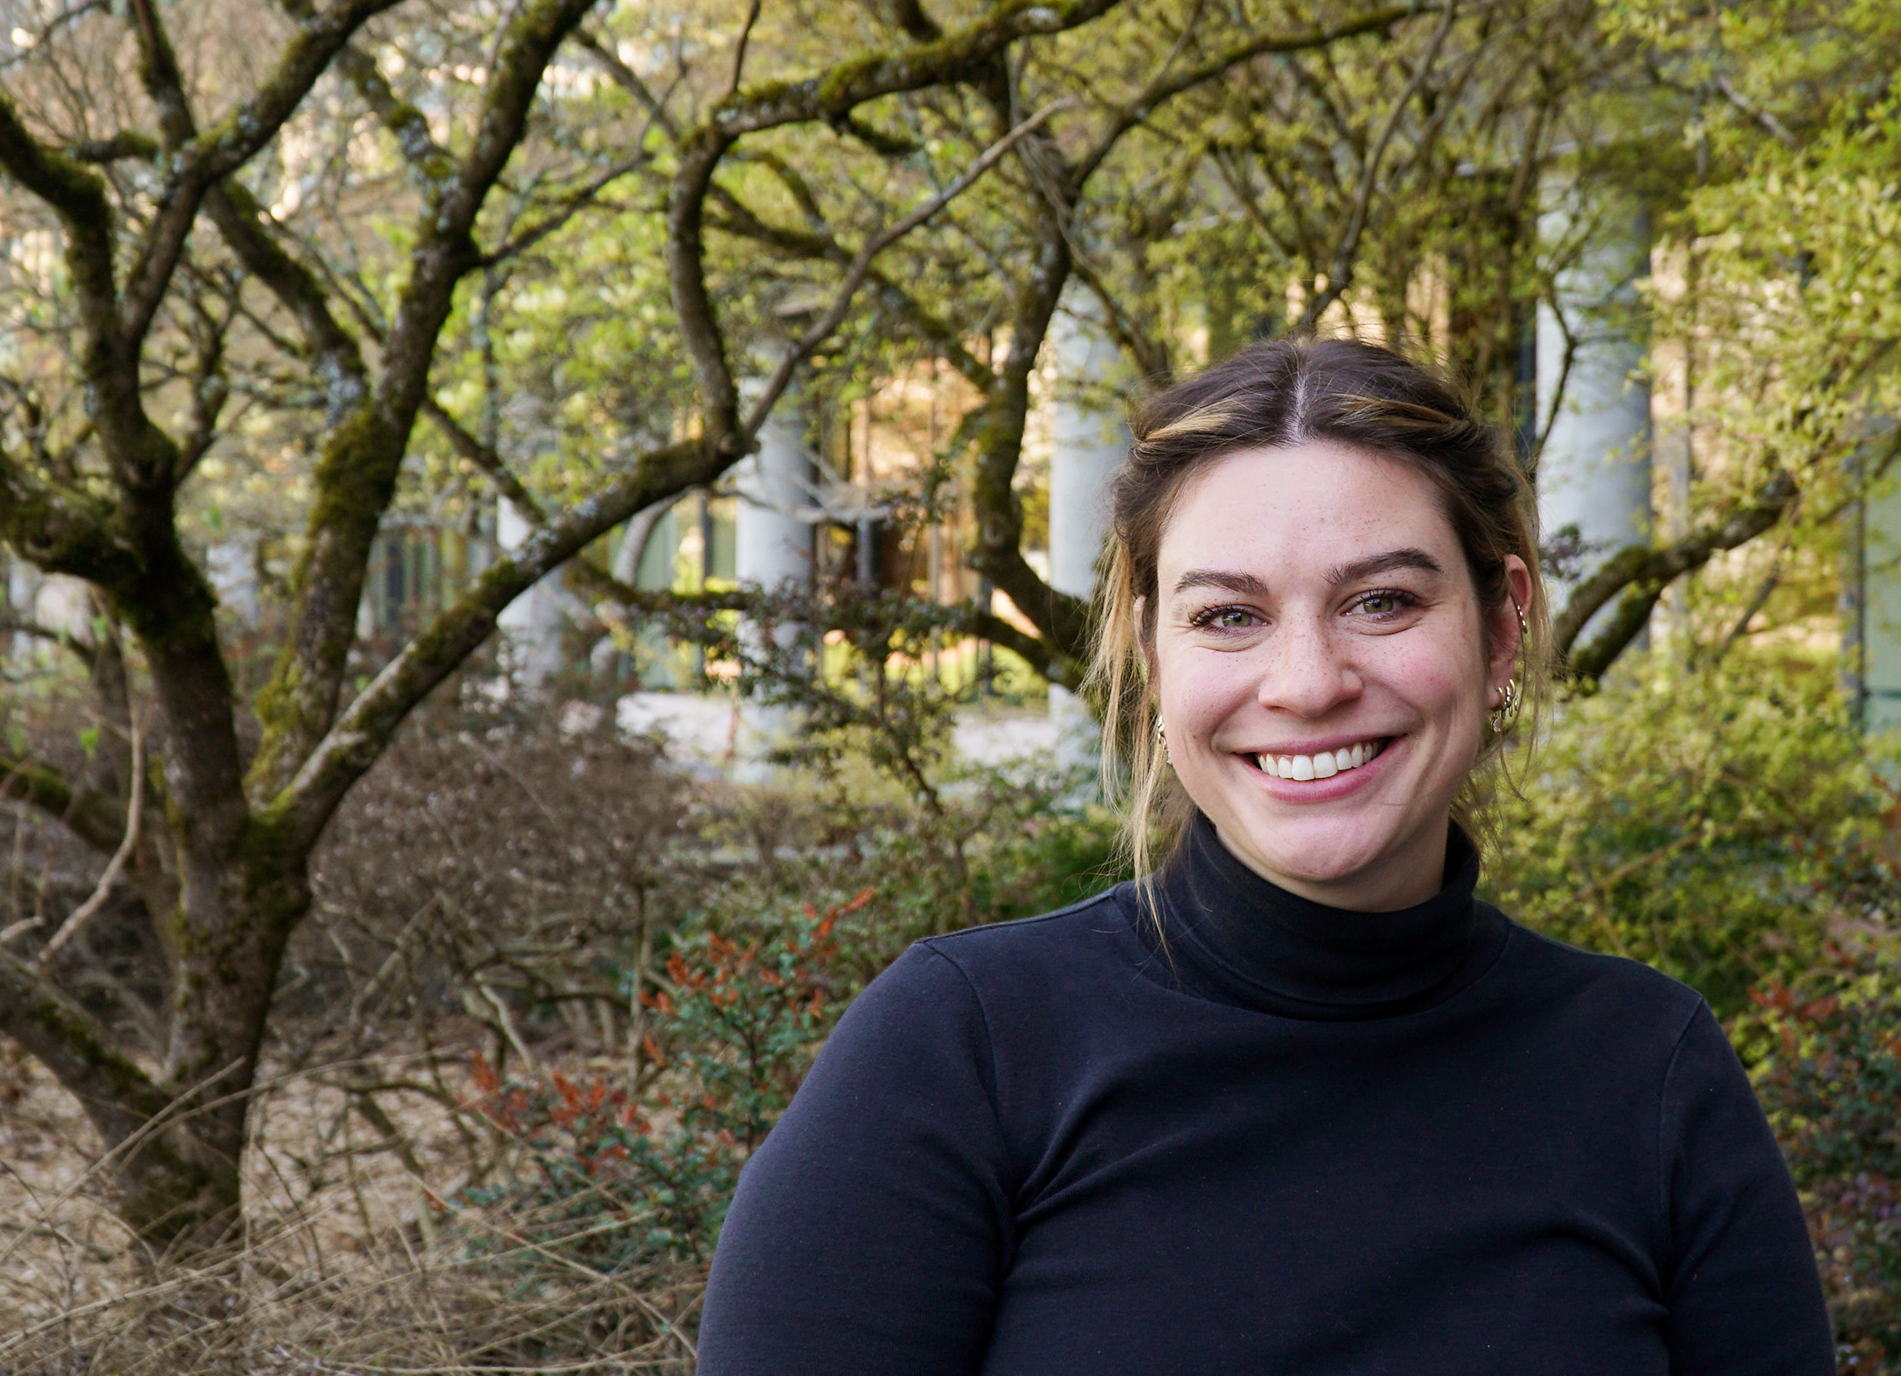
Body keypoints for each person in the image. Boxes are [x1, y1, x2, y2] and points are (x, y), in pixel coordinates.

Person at [695, 339, 1834, 1375]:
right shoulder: (963, 1052)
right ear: (1149, 653)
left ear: (1499, 631)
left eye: (1382, 600)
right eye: (1228, 616)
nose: (1305, 682)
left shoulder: (1652, 1072)